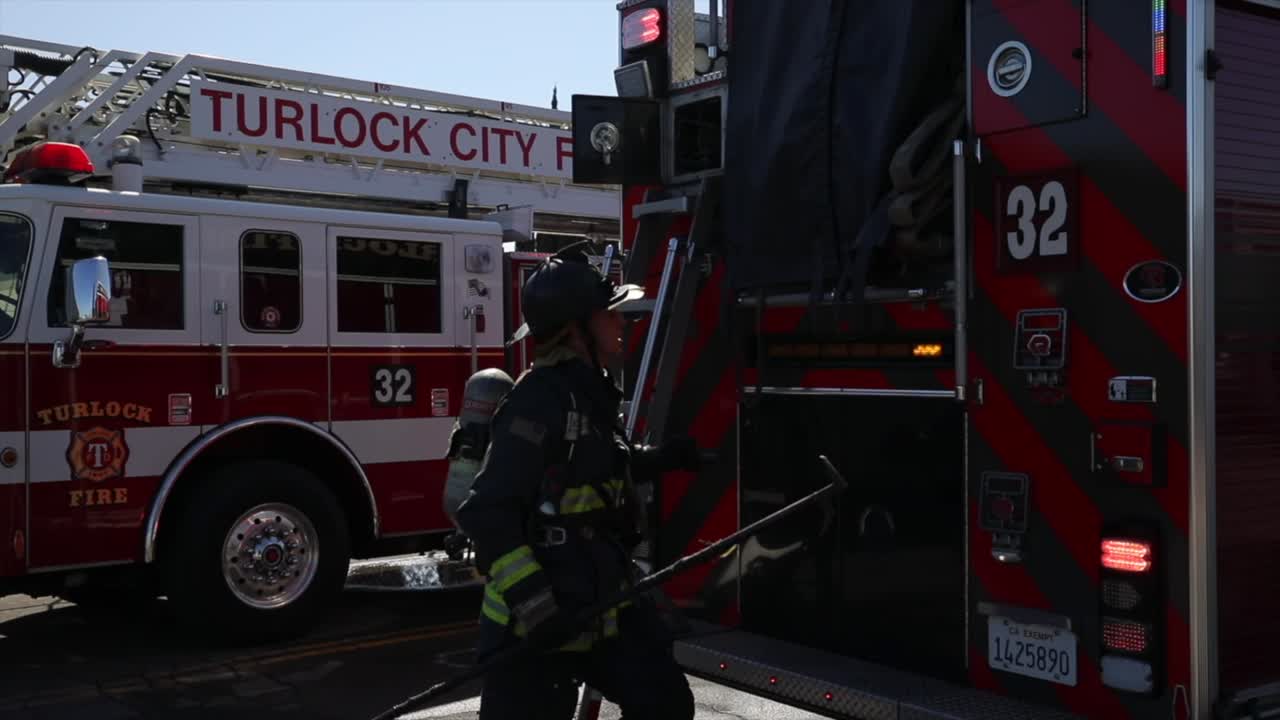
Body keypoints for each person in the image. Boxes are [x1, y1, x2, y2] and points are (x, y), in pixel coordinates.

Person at [455, 244, 698, 720]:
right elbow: (488, 515)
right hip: (532, 627)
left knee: (665, 701)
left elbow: (588, 470)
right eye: (610, 314)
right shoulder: (536, 404)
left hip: (599, 604)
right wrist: (539, 612)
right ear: (575, 330)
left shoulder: (588, 393)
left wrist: (657, 461)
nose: (622, 322)